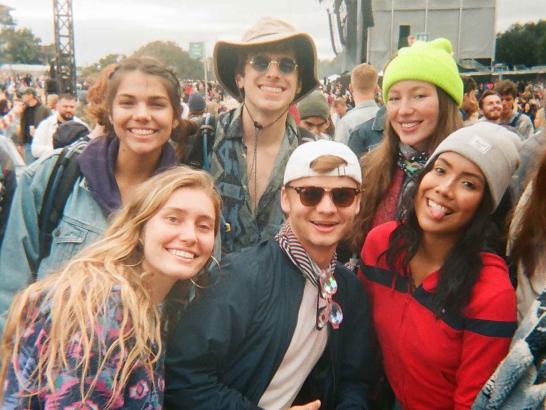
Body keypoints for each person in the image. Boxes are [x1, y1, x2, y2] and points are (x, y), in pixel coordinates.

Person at [164, 140, 374, 409]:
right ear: (285, 199)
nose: (327, 208)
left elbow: (354, 381)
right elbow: (183, 377)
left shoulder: (348, 290)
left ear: (357, 203)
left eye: (342, 196)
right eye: (310, 194)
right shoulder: (242, 277)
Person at [0, 166, 221, 409]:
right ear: (140, 226)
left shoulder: (147, 304)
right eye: (173, 219)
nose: (190, 236)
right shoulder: (104, 309)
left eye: (203, 226)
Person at [0, 57, 180, 333]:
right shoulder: (53, 176)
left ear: (176, 117)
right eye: (127, 103)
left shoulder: (188, 200)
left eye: (157, 104)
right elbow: (9, 289)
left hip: (144, 367)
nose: (142, 114)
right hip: (49, 366)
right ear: (109, 112)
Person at [359, 122, 520, 409]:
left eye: (469, 184)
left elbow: (472, 402)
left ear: (485, 205)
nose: (445, 189)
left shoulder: (491, 294)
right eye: (441, 170)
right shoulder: (381, 245)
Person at [211, 17, 319, 254]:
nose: (273, 73)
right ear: (240, 77)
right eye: (260, 62)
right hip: (210, 289)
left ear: (298, 83)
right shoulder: (202, 140)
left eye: (286, 65)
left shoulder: (315, 153)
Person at [351, 37, 464, 255]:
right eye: (394, 98)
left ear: (446, 101)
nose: (403, 110)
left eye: (419, 96)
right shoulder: (370, 169)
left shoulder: (472, 175)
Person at [334, 63, 379, 144]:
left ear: (350, 88)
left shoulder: (346, 122)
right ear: (377, 89)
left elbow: (338, 155)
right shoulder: (388, 118)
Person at [31, 93, 86, 158]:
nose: (69, 110)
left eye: (72, 107)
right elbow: (35, 150)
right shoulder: (46, 125)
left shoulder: (82, 127)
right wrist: (59, 151)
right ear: (57, 107)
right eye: (65, 107)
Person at [18, 87, 50, 163]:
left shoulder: (44, 109)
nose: (22, 97)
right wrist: (21, 142)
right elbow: (23, 127)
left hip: (41, 144)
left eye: (24, 95)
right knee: (29, 169)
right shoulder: (24, 109)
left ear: (30, 95)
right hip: (28, 143)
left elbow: (50, 124)